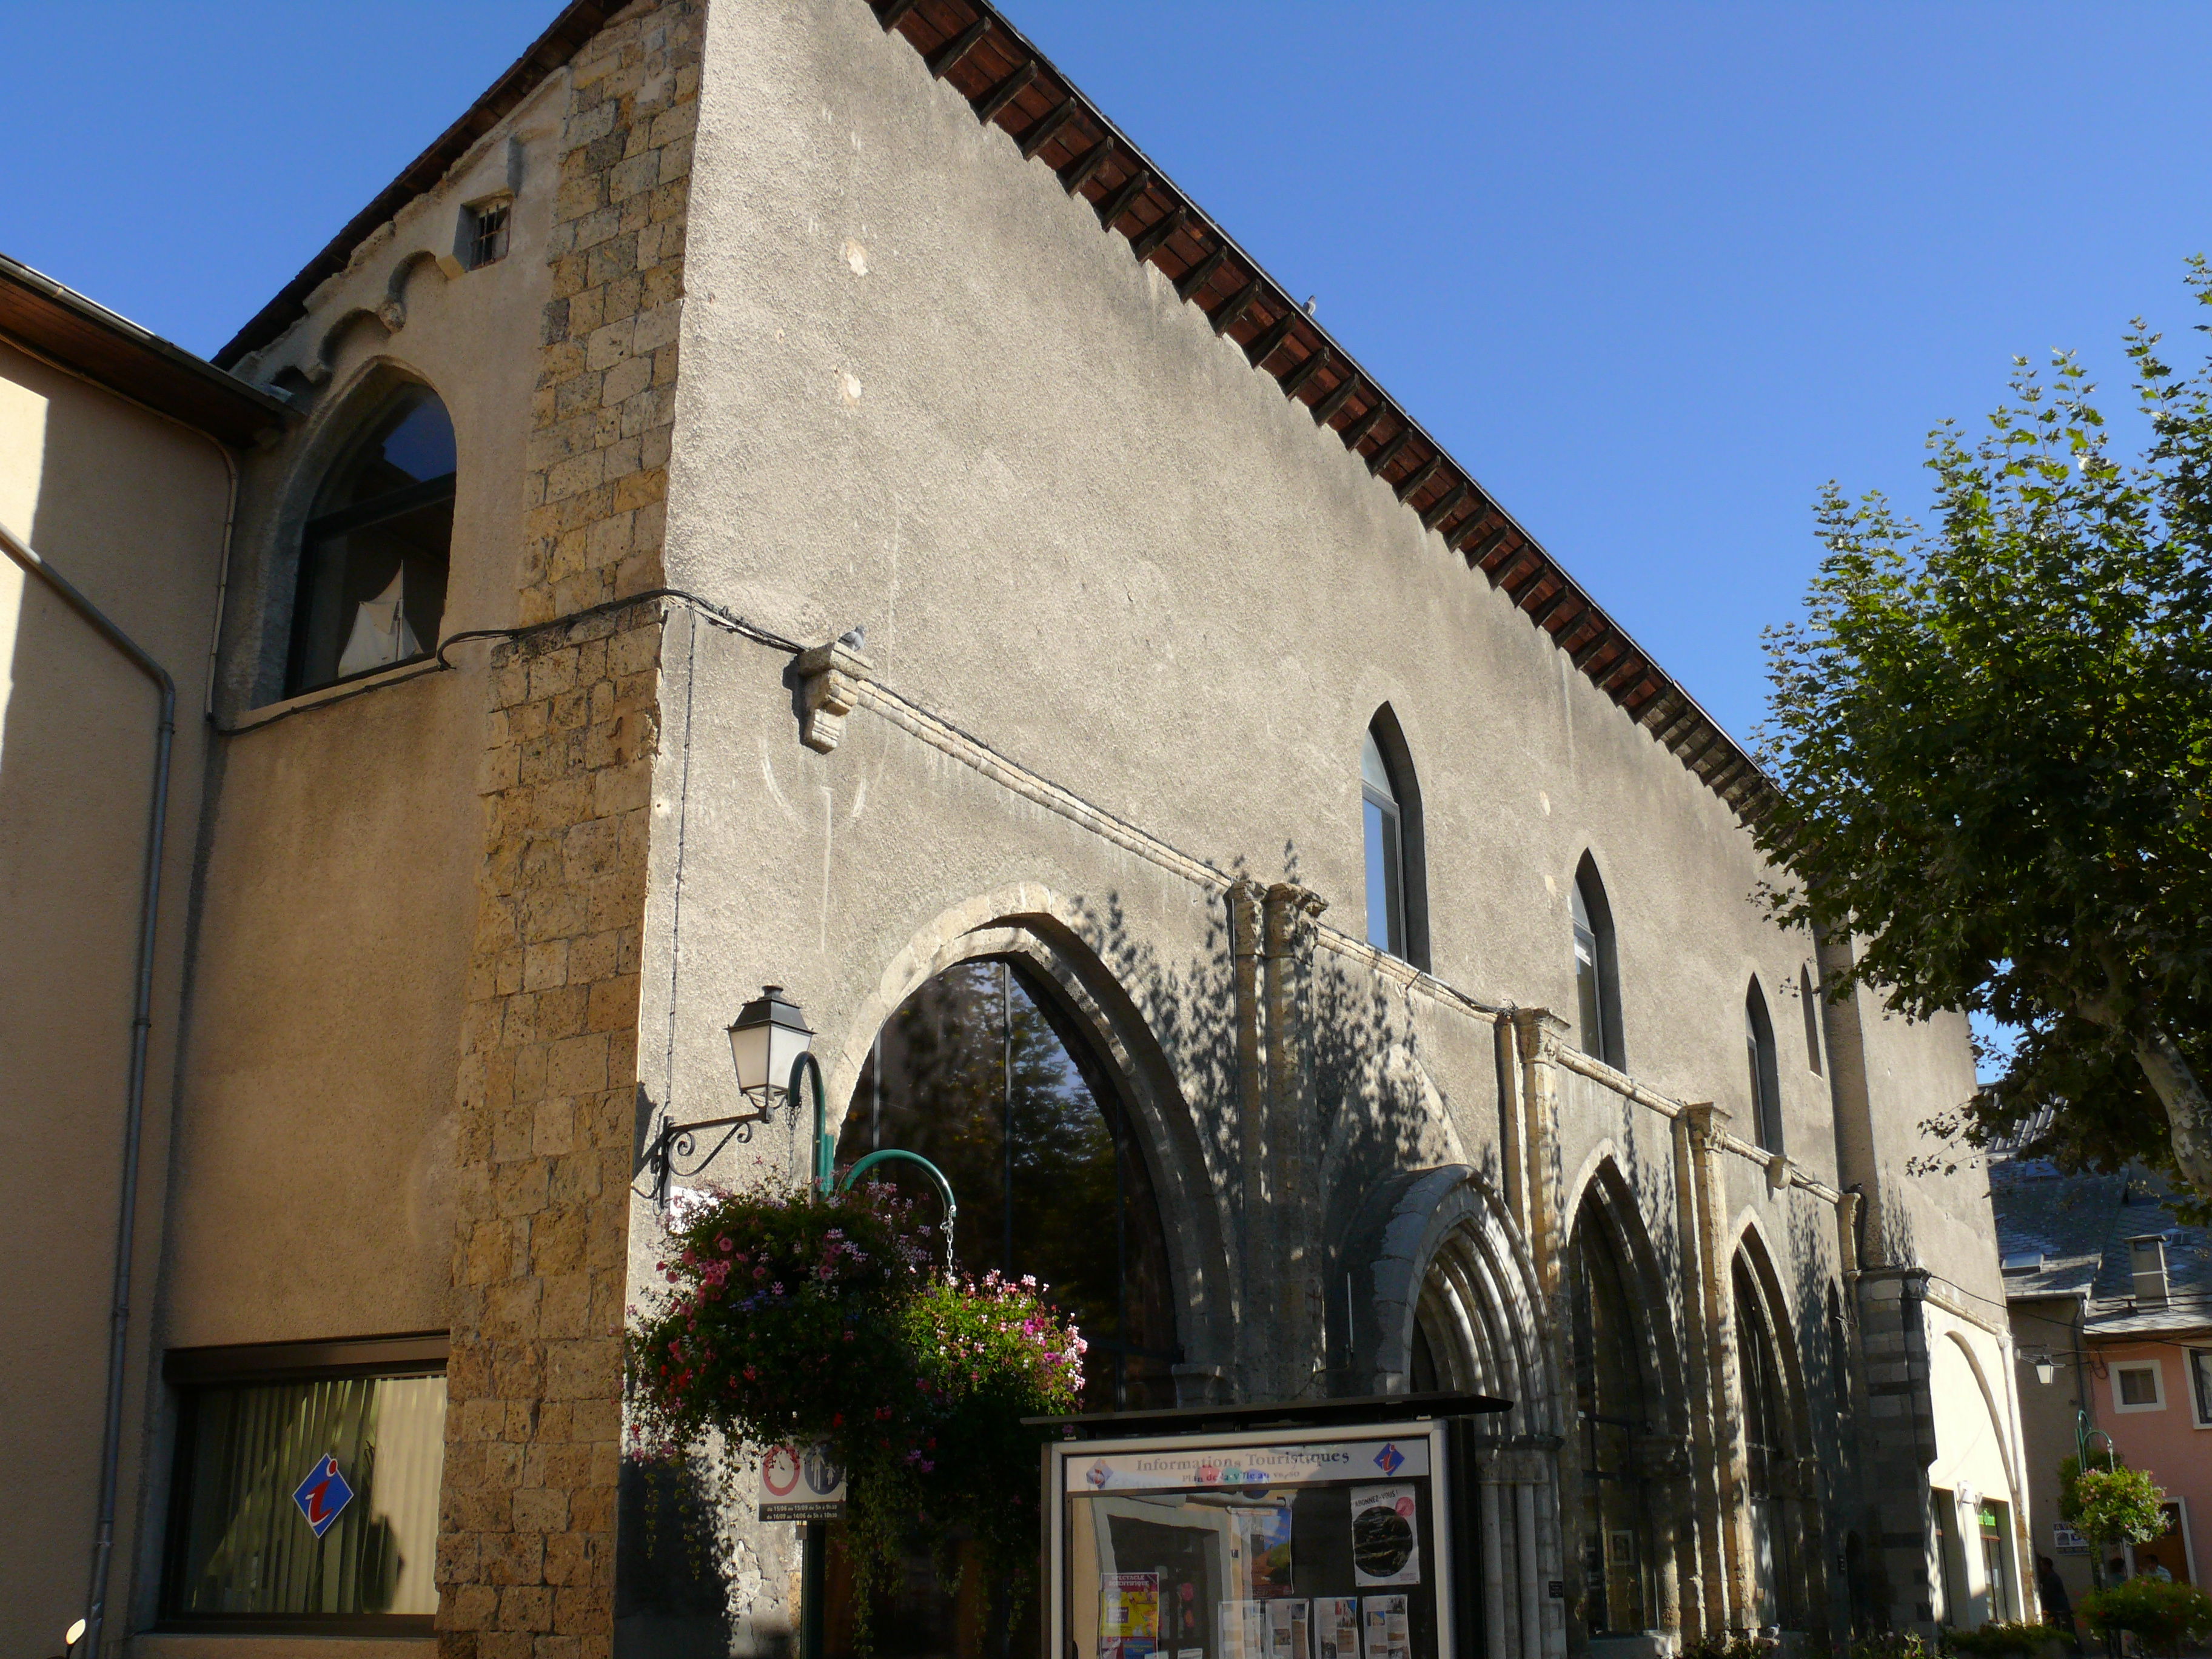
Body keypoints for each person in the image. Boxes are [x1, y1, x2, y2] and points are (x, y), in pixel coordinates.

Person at [2039, 1555, 2079, 1654]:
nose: (2041, 1568)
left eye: (2042, 1566)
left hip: (2058, 1608)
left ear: (2047, 1566)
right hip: (2060, 1607)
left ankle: (2073, 1651)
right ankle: (2074, 1650)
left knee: (2064, 1630)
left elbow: (2049, 1594)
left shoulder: (2051, 1578)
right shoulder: (2053, 1576)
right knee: (2067, 1630)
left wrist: (2046, 1607)